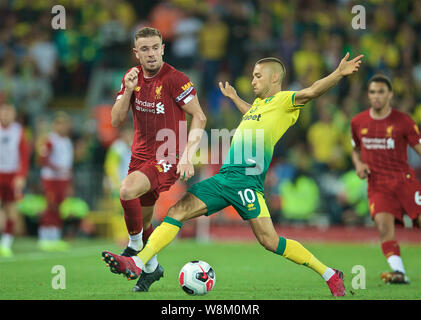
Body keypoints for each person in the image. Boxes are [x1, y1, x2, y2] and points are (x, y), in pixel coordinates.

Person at [103, 52, 363, 296]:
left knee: (270, 241)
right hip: (225, 178)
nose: (252, 80)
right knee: (177, 211)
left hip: (247, 181)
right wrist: (235, 98)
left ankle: (330, 274)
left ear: (275, 77)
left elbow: (311, 91)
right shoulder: (260, 107)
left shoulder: (285, 102)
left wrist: (338, 73)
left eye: (257, 76)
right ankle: (139, 263)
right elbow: (252, 114)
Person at [103, 27, 206, 292]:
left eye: (155, 47)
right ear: (136, 53)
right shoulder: (131, 77)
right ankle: (151, 268)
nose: (151, 54)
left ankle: (134, 248)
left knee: (126, 190)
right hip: (139, 157)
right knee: (145, 222)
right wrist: (127, 91)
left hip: (166, 157)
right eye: (145, 49)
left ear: (163, 49)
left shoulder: (176, 79)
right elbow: (115, 121)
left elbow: (200, 117)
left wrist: (186, 156)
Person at [350, 74, 421, 284]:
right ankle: (398, 272)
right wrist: (358, 164)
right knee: (383, 226)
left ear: (390, 95)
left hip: (404, 181)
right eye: (372, 92)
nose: (376, 96)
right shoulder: (358, 122)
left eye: (381, 92)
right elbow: (355, 149)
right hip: (378, 185)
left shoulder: (403, 121)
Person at [37, 112, 73, 251]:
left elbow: (69, 164)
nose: (63, 127)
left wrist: (69, 181)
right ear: (55, 125)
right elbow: (43, 159)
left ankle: (56, 237)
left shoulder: (67, 141)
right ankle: (44, 237)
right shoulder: (50, 140)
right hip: (51, 179)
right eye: (60, 124)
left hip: (63, 179)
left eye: (65, 124)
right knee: (50, 205)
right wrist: (57, 168)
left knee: (59, 207)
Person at [0, 104, 30, 257]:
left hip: (12, 175)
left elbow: (24, 155)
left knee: (12, 210)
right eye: (3, 112)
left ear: (13, 115)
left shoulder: (18, 131)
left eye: (9, 113)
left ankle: (5, 243)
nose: (5, 115)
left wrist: (21, 176)